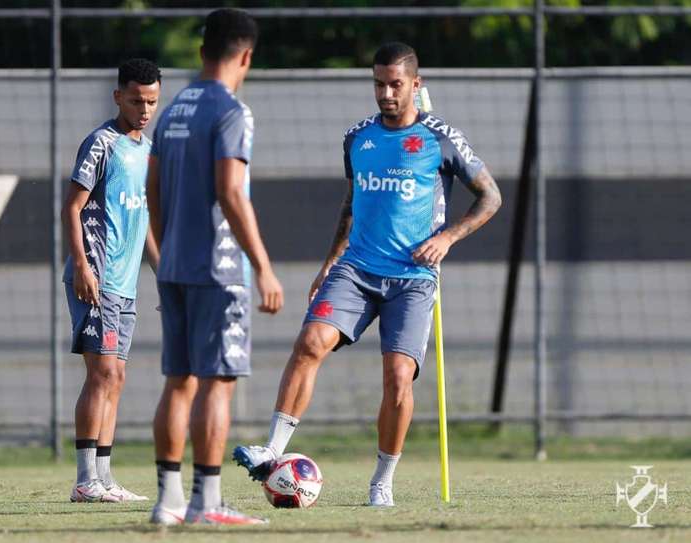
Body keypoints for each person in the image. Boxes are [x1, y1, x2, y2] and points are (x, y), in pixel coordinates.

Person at [233, 42, 502, 507]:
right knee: (310, 342)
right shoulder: (357, 138)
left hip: (414, 278)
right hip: (356, 270)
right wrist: (329, 263)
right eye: (378, 83)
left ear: (416, 85)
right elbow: (350, 205)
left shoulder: (441, 139)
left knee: (399, 377)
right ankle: (272, 450)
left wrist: (448, 239)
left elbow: (490, 197)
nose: (386, 93)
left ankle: (382, 482)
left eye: (395, 84)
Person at [147, 8, 284, 526]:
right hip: (219, 270)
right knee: (217, 382)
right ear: (246, 55)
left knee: (177, 381)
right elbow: (230, 190)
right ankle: (206, 503)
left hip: (176, 265)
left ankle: (168, 501)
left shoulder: (174, 109)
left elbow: (152, 191)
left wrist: (165, 252)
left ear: (203, 50)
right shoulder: (232, 111)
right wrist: (264, 267)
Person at [62, 58, 161, 503]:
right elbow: (72, 207)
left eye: (152, 102)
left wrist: (165, 275)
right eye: (137, 100)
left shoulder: (149, 150)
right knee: (101, 373)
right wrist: (82, 265)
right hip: (96, 278)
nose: (144, 109)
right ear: (118, 96)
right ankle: (85, 481)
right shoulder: (101, 143)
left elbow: (146, 224)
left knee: (116, 376)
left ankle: (104, 477)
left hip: (125, 284)